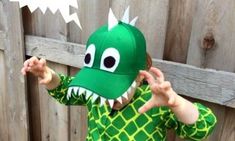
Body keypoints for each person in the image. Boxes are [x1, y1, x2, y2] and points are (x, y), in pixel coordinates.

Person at [21, 9, 217, 141]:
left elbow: (202, 128)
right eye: (100, 84)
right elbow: (66, 91)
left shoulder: (155, 103)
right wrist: (49, 76)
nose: (105, 95)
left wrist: (177, 103)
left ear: (140, 76)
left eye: (111, 86)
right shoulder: (95, 96)